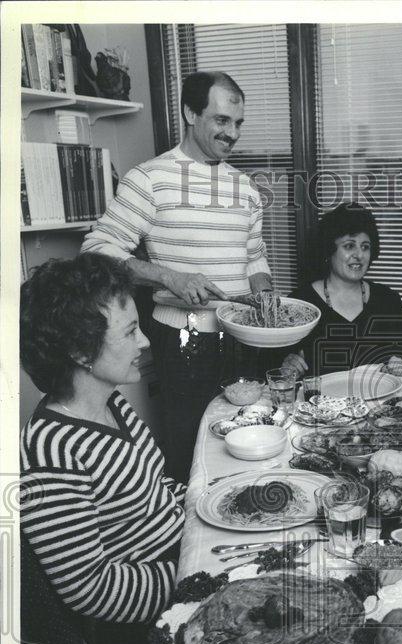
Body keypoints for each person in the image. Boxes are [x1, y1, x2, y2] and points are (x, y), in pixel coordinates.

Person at [82, 70, 281, 482]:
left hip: (243, 338)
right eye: (222, 121)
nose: (233, 134)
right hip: (183, 338)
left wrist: (263, 292)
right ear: (191, 113)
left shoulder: (245, 189)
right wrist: (170, 277)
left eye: (238, 123)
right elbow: (96, 252)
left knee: (247, 439)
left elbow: (254, 257)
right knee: (193, 446)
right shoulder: (149, 178)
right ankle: (188, 536)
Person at [20, 254, 186, 644]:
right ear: (79, 351)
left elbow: (156, 488)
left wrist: (200, 515)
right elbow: (88, 587)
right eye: (131, 332)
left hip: (177, 576)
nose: (146, 341)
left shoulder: (112, 403)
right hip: (137, 638)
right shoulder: (53, 451)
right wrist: (189, 580)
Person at [288, 202, 402, 375]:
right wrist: (287, 364)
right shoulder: (300, 303)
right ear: (329, 250)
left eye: (365, 247)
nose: (359, 255)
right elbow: (270, 364)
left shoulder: (388, 300)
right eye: (349, 246)